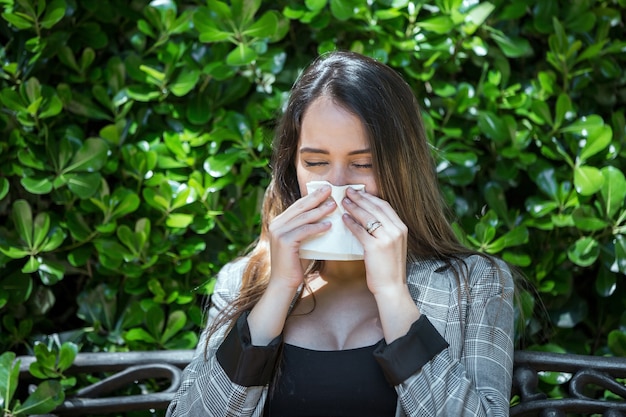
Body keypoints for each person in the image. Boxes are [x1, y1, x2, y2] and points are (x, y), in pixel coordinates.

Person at [166, 50, 515, 416]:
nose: (337, 185)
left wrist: (394, 296)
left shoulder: (475, 283)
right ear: (292, 168)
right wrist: (277, 292)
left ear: (402, 169)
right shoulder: (242, 280)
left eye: (363, 164)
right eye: (315, 163)